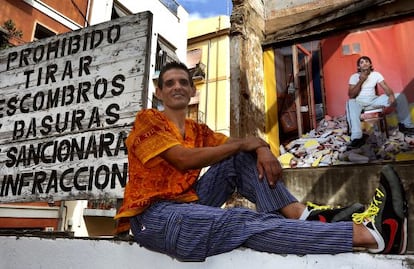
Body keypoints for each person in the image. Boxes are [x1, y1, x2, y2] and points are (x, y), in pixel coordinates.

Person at [114, 61, 408, 261]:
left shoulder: (197, 130)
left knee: (239, 157)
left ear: (192, 90)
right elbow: (182, 159)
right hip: (153, 218)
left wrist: (261, 148)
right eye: (169, 83)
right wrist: (249, 143)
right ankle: (372, 236)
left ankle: (299, 214)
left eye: (183, 82)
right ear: (159, 91)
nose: (177, 87)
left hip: (189, 205)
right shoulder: (148, 119)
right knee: (242, 220)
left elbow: (240, 149)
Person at [346, 55, 414, 148]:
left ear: (370, 64)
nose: (364, 63)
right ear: (359, 67)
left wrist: (391, 95)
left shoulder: (376, 74)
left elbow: (385, 87)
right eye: (362, 62)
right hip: (359, 102)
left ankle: (406, 126)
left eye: (366, 61)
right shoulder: (354, 77)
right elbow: (351, 95)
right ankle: (357, 137)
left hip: (374, 100)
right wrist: (361, 80)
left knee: (400, 96)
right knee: (351, 102)